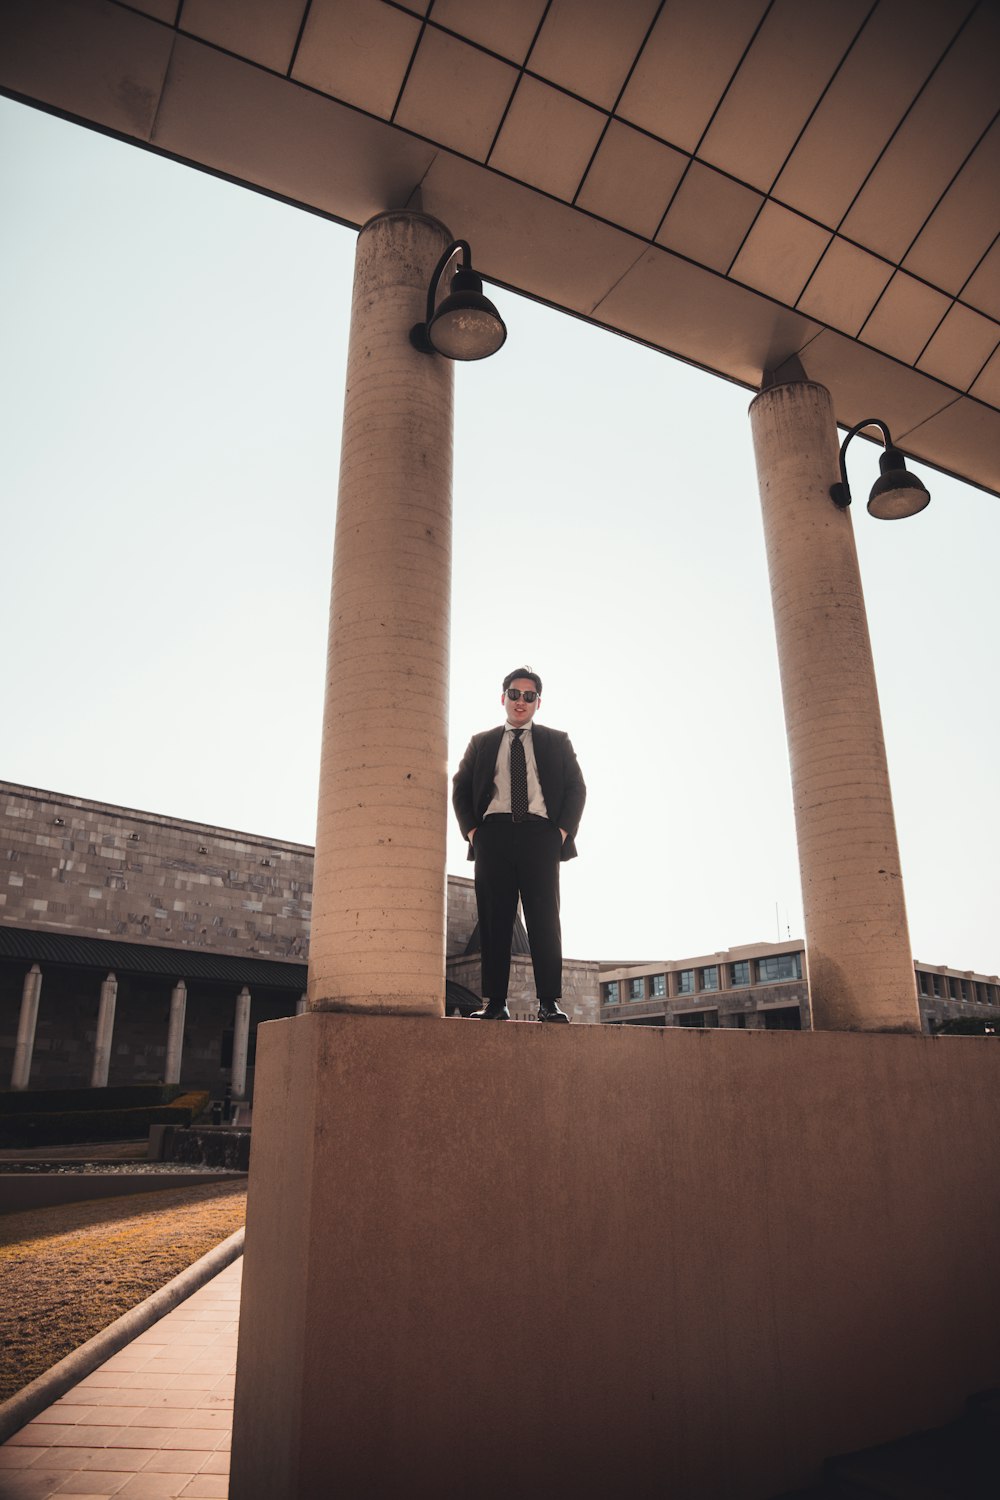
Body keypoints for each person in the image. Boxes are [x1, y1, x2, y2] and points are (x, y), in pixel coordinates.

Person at [452, 667, 586, 1022]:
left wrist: (559, 834)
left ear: (538, 702)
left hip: (540, 836)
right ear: (503, 698)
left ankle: (548, 1003)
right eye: (514, 694)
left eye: (529, 696)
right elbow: (461, 786)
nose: (521, 701)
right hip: (492, 836)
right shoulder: (481, 741)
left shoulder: (557, 741)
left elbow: (577, 788)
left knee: (544, 919)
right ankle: (495, 1003)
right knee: (495, 920)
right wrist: (473, 833)